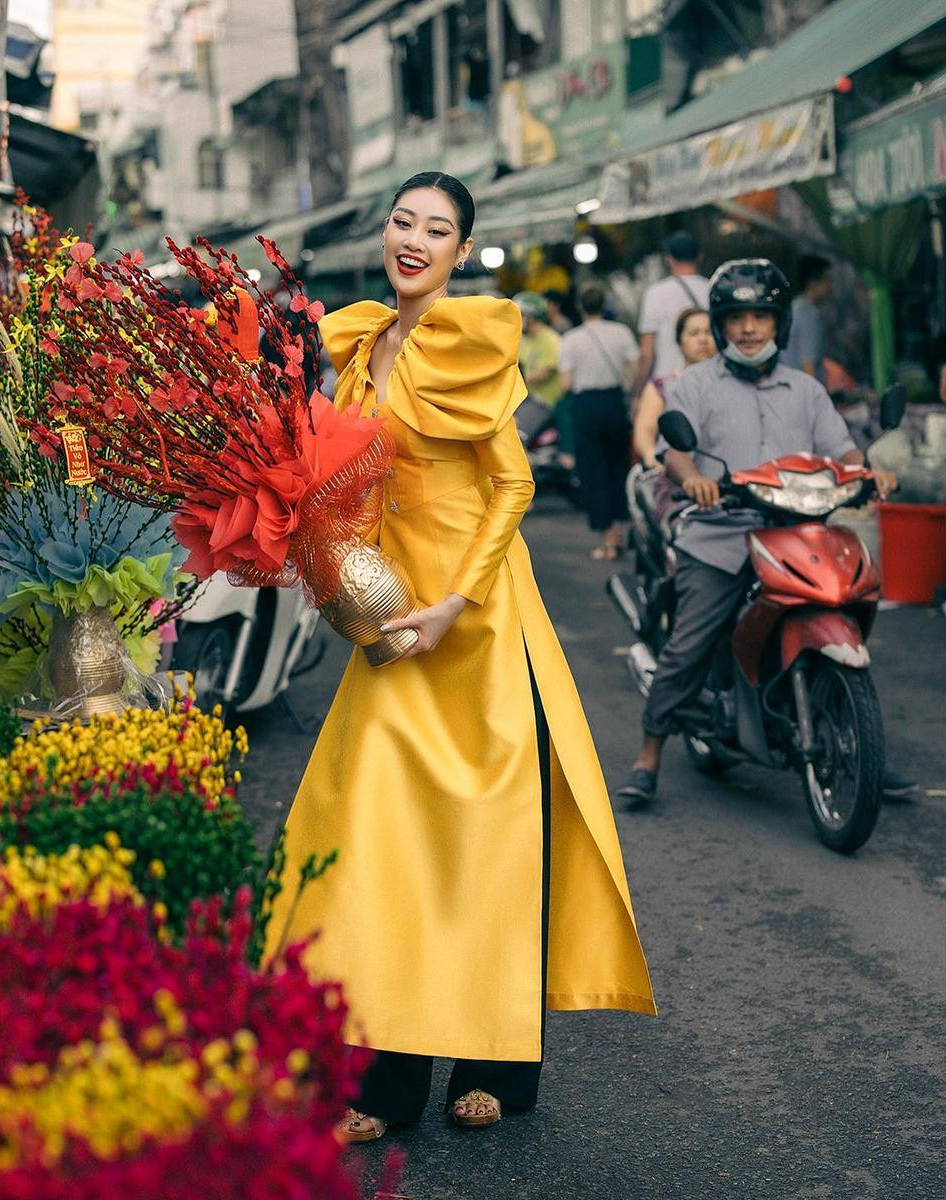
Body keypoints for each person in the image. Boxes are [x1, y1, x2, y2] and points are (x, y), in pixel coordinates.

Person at [265, 171, 655, 1143]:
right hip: (390, 621)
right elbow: (343, 481)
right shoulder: (358, 347)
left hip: (473, 622)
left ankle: (498, 1068)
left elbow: (513, 486)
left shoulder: (467, 342)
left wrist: (454, 604)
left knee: (488, 850)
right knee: (379, 848)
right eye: (403, 220)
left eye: (437, 229)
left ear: (459, 250)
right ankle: (382, 1085)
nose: (414, 239)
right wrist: (323, 558)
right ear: (383, 231)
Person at [615, 259, 899, 805]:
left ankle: (861, 745)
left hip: (796, 529)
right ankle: (649, 751)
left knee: (848, 603)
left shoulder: (806, 389)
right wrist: (693, 477)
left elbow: (843, 450)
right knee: (690, 641)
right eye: (738, 318)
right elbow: (674, 452)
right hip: (721, 532)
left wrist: (869, 471)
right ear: (721, 325)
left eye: (761, 317)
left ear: (779, 323)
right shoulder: (696, 385)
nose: (749, 329)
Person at [559, 282, 638, 558]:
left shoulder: (571, 339)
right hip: (615, 404)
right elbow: (634, 369)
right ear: (604, 305)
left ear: (580, 307)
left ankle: (607, 541)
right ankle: (617, 533)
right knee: (618, 468)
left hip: (587, 407)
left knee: (594, 472)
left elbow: (566, 383)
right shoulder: (622, 333)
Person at [630, 230, 710, 402]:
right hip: (708, 383)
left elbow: (646, 352)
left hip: (667, 386)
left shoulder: (655, 293)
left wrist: (637, 393)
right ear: (700, 256)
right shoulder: (712, 289)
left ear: (669, 259)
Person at [632, 307, 716, 468]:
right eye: (694, 333)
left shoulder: (729, 383)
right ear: (680, 341)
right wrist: (652, 456)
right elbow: (644, 432)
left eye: (709, 332)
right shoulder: (662, 387)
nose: (703, 339)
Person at [512, 290, 568, 458]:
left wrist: (513, 379)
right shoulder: (525, 340)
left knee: (516, 436)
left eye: (520, 314)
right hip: (525, 400)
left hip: (543, 402)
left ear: (531, 316)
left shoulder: (551, 340)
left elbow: (543, 374)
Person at [778, 254, 832, 383]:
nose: (831, 286)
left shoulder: (794, 308)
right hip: (802, 392)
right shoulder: (808, 315)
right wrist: (813, 400)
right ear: (812, 283)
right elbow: (808, 365)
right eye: (827, 280)